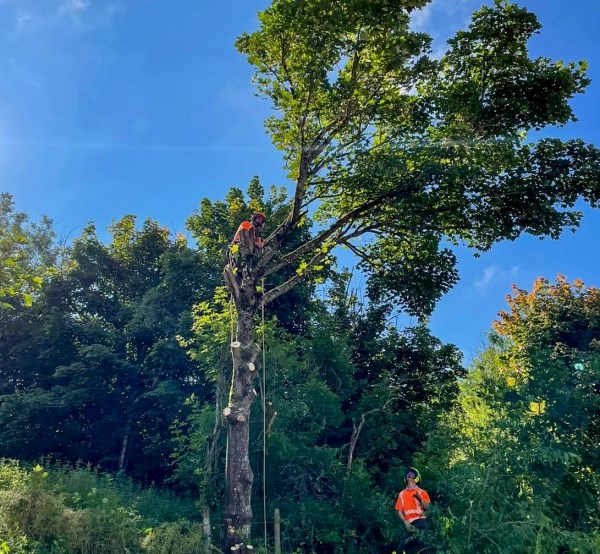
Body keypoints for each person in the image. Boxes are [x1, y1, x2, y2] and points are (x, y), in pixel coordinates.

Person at [395, 467, 431, 554]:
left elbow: (428, 508)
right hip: (408, 523)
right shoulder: (402, 493)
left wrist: (420, 500)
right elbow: (399, 510)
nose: (409, 476)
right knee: (406, 547)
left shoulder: (422, 492)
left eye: (412, 474)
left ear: (417, 478)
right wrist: (405, 522)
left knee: (421, 545)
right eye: (408, 474)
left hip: (420, 521)